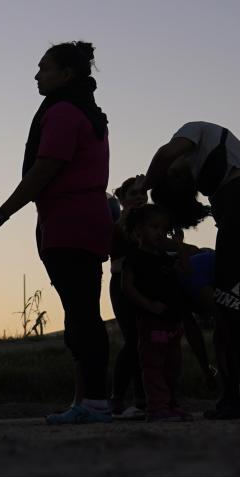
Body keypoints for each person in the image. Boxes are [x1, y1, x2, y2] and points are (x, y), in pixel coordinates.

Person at [0, 41, 114, 425]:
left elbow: (44, 170)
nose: (37, 74)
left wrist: (2, 213)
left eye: (44, 68)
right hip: (78, 218)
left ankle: (96, 403)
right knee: (81, 312)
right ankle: (87, 401)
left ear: (65, 74)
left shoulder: (63, 112)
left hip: (71, 220)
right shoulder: (85, 112)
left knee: (82, 314)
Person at [136, 121, 240, 419]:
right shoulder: (220, 178)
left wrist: (147, 183)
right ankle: (239, 392)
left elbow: (165, 154)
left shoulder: (197, 129)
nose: (176, 170)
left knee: (228, 304)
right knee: (232, 308)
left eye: (175, 173)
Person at [123, 205, 192, 422]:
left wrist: (179, 246)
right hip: (152, 322)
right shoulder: (134, 257)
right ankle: (157, 407)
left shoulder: (166, 257)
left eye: (164, 228)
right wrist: (149, 305)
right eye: (154, 227)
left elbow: (187, 272)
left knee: (173, 365)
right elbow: (128, 288)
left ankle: (171, 404)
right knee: (154, 364)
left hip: (172, 321)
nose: (160, 232)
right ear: (138, 231)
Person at [108, 176, 148, 420]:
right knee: (133, 339)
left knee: (147, 340)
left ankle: (144, 396)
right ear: (122, 199)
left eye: (143, 193)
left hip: (148, 284)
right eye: (133, 193)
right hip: (123, 284)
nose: (140, 197)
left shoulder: (152, 222)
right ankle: (117, 397)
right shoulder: (119, 224)